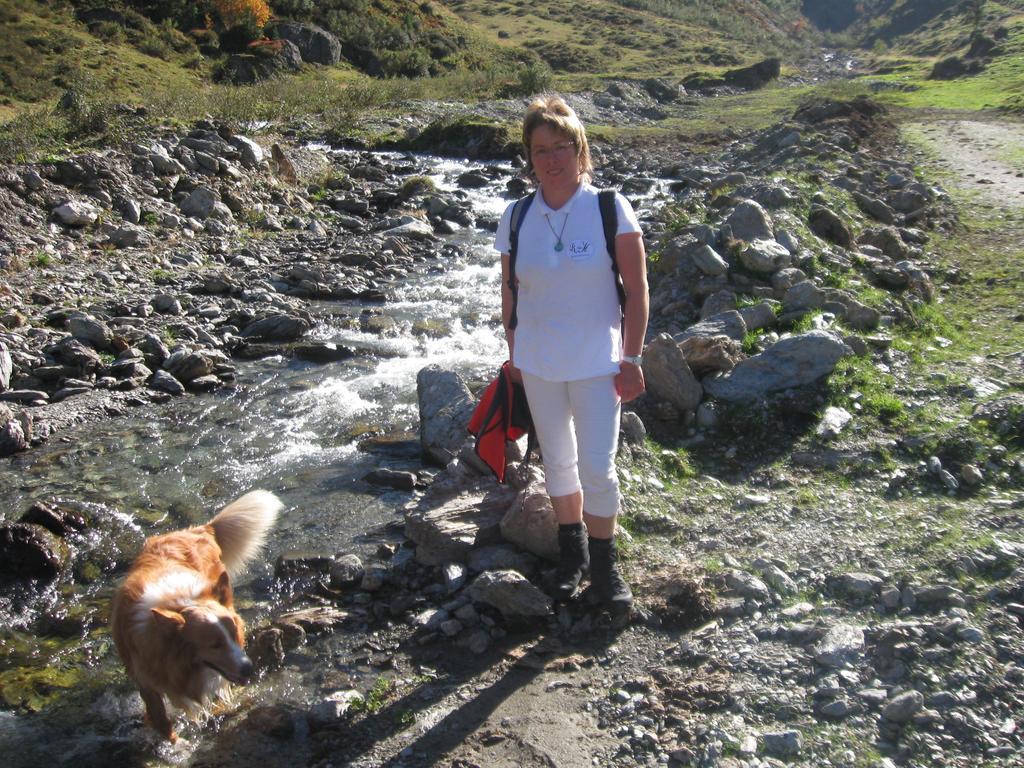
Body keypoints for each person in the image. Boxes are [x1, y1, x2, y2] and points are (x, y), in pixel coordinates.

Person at [493, 96, 649, 612]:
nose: (552, 159)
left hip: (599, 363)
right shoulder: (516, 217)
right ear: (529, 157)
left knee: (598, 469)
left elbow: (638, 288)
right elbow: (510, 292)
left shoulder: (609, 208)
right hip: (538, 362)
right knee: (557, 463)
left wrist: (633, 358)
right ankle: (573, 555)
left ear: (580, 151)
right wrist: (513, 352)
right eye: (541, 150)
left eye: (561, 147)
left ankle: (605, 568)